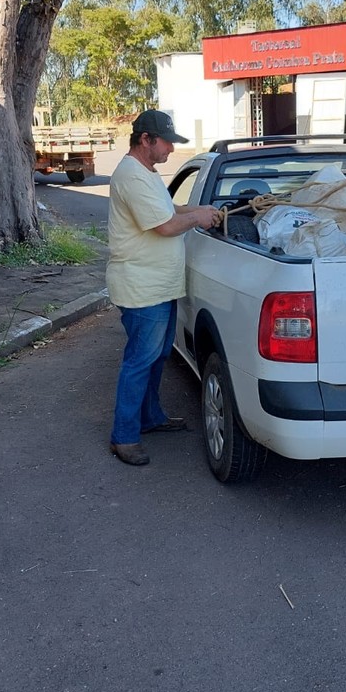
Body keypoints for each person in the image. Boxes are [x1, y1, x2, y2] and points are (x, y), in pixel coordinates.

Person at [107, 110, 222, 467]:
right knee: (140, 361)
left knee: (156, 357)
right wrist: (198, 218)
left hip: (158, 286)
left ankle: (150, 417)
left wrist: (197, 208)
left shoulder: (147, 173)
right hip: (142, 288)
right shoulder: (132, 177)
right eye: (167, 141)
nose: (171, 148)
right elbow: (166, 226)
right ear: (145, 140)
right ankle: (124, 437)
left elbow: (169, 210)